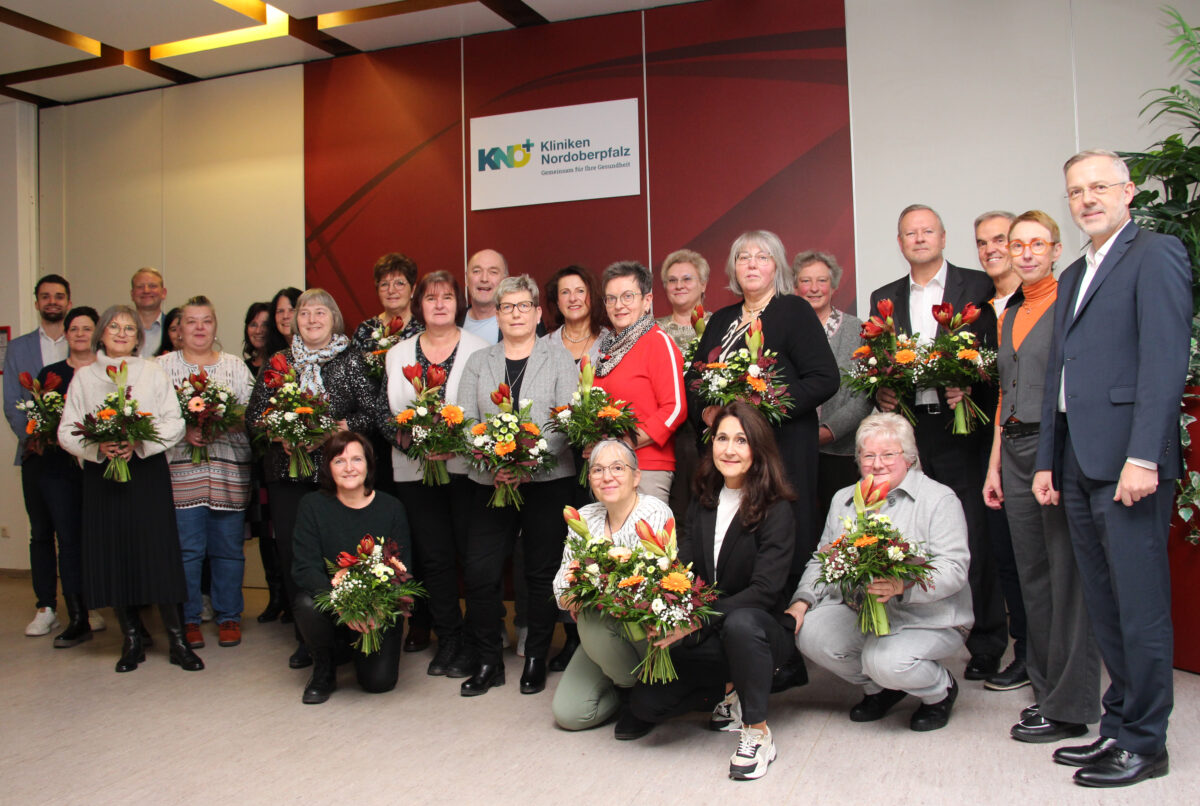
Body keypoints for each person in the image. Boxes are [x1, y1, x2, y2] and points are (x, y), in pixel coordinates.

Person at [1033, 150, 1190, 787]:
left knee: (1140, 607)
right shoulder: (1075, 272)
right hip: (1077, 461)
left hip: (1129, 463)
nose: (1087, 199)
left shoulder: (1155, 254)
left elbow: (1164, 362)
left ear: (1129, 192)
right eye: (1076, 191)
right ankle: (1119, 726)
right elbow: (1058, 374)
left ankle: (1146, 744)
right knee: (1105, 605)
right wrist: (1047, 461)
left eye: (1100, 186)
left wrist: (1144, 456)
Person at [870, 205, 1008, 681]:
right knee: (907, 531)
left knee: (973, 535)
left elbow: (1000, 358)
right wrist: (880, 392)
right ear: (900, 242)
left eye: (927, 230)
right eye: (910, 233)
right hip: (912, 430)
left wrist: (973, 386)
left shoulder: (979, 286)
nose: (919, 238)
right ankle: (912, 636)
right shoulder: (884, 297)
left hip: (963, 430)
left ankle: (987, 640)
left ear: (944, 237)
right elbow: (878, 363)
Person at [981, 210, 1101, 745]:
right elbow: (1004, 394)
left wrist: (1050, 457)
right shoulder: (1010, 311)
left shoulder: (1070, 304)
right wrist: (994, 466)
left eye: (1037, 244)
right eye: (1017, 244)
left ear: (1056, 250)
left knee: (1066, 578)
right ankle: (1048, 693)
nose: (1025, 253)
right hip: (1014, 449)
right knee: (1032, 578)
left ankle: (1072, 705)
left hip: (1057, 447)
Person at [629, 402, 798, 781]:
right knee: (645, 706)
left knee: (741, 624)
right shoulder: (704, 500)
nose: (729, 449)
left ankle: (757, 732)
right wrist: (669, 609)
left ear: (757, 448)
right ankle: (730, 691)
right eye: (722, 438)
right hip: (711, 630)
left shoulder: (777, 508)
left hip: (759, 631)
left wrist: (697, 621)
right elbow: (686, 570)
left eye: (741, 440)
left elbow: (764, 591)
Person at [789, 412, 972, 732]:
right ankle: (882, 689)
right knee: (810, 633)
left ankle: (938, 690)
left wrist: (904, 584)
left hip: (929, 616)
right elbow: (823, 559)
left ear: (909, 457)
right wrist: (801, 602)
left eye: (888, 454)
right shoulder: (844, 499)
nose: (877, 464)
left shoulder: (938, 499)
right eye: (868, 455)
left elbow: (954, 569)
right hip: (861, 610)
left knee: (883, 660)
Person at [246, 288, 390, 669]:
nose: (311, 319)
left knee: (339, 553)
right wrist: (279, 431)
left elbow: (373, 413)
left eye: (320, 313)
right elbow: (254, 417)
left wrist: (342, 427)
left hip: (337, 476)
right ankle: (307, 638)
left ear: (334, 319)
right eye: (304, 313)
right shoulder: (279, 361)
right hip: (287, 475)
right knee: (296, 556)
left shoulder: (351, 359)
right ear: (295, 321)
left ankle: (348, 631)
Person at [57, 304, 201, 673]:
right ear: (101, 334)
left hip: (146, 472)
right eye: (114, 327)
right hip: (103, 476)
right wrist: (98, 447)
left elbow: (174, 422)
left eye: (129, 329)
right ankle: (132, 639)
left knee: (158, 553)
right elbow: (67, 431)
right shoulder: (85, 378)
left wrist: (139, 442)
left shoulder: (152, 372)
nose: (122, 334)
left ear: (138, 337)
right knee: (114, 555)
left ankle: (178, 641)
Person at [688, 230, 839, 569]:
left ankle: (789, 600)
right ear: (733, 268)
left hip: (783, 449)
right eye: (743, 258)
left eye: (762, 257)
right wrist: (708, 411)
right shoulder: (721, 319)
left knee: (783, 539)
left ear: (777, 267)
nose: (752, 264)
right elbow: (694, 379)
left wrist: (765, 405)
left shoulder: (794, 310)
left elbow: (825, 378)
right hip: (729, 455)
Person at [456, 274, 577, 696]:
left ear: (539, 313)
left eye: (524, 306)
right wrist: (493, 461)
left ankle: (535, 658)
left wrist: (527, 461)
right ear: (497, 314)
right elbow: (465, 419)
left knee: (541, 572)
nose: (515, 314)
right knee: (480, 571)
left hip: (547, 481)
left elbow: (566, 420)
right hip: (490, 481)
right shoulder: (479, 362)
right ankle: (488, 660)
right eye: (507, 307)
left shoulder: (559, 359)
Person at [382, 270, 488, 677]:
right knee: (435, 558)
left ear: (458, 304)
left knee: (472, 558)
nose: (439, 304)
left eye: (447, 297)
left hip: (467, 471)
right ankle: (449, 638)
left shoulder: (480, 349)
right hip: (415, 471)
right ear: (419, 305)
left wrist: (456, 444)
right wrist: (413, 442)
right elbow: (386, 413)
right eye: (431, 298)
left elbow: (489, 412)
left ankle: (478, 639)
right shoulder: (397, 354)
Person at [550, 439, 673, 738]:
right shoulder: (585, 517)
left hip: (646, 631)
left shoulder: (653, 512)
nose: (607, 477)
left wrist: (587, 589)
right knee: (570, 714)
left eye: (618, 468)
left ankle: (638, 697)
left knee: (591, 616)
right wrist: (583, 591)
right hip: (600, 633)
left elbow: (645, 589)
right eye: (598, 470)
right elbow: (561, 589)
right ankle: (625, 687)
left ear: (636, 476)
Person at [158, 296, 255, 650]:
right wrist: (184, 429)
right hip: (181, 476)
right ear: (178, 330)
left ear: (215, 326)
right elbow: (151, 418)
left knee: (228, 550)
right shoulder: (161, 368)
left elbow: (254, 414)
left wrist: (224, 421)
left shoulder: (234, 367)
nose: (199, 328)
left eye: (206, 321)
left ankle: (229, 616)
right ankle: (188, 618)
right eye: (191, 321)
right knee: (187, 551)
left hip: (229, 474)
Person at [291, 431, 412, 703]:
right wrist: (344, 606)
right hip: (332, 604)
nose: (349, 468)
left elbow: (402, 569)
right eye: (339, 461)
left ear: (369, 464)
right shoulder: (312, 506)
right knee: (306, 603)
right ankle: (324, 667)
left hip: (377, 609)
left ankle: (353, 650)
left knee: (378, 683)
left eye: (357, 459)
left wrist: (376, 608)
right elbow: (305, 568)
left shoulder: (391, 508)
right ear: (328, 467)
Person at [973, 210, 1030, 692]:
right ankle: (1026, 653)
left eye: (1000, 239)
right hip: (988, 451)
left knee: (1039, 561)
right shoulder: (978, 310)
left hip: (1033, 447)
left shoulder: (1041, 301)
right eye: (982, 242)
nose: (991, 249)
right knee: (1006, 557)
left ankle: (1046, 657)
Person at [3, 274, 72, 637]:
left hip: (77, 454)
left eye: (59, 296)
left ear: (68, 302)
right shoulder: (18, 348)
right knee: (42, 533)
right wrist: (35, 437)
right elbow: (13, 403)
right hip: (37, 454)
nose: (52, 302)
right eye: (45, 296)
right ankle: (46, 606)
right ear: (36, 303)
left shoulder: (82, 340)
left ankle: (83, 604)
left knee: (76, 533)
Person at [594, 261, 687, 505]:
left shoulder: (657, 341)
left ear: (647, 301)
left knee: (645, 531)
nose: (618, 305)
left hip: (645, 467)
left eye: (628, 296)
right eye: (611, 298)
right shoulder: (607, 349)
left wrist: (624, 444)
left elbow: (675, 408)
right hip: (606, 468)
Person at [34, 306, 100, 647]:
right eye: (74, 328)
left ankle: (103, 603)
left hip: (101, 468)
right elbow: (41, 421)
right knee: (70, 541)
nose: (80, 334)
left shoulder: (109, 371)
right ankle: (77, 616)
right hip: (60, 469)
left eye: (87, 328)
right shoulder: (51, 375)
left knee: (101, 539)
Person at [793, 250, 872, 516]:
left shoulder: (856, 329)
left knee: (843, 523)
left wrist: (829, 430)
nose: (814, 288)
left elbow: (864, 395)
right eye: (806, 281)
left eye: (822, 281)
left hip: (841, 452)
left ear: (834, 286)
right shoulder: (786, 330)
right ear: (796, 287)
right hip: (795, 449)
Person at [351, 252, 423, 357]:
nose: (391, 290)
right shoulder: (365, 330)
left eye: (399, 283)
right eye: (384, 284)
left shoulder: (425, 327)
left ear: (413, 289)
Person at [542, 265, 609, 365]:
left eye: (580, 291)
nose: (572, 298)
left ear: (592, 296)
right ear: (557, 301)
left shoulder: (611, 343)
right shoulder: (542, 346)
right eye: (565, 292)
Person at [656, 248, 711, 350]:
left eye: (687, 279)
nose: (679, 286)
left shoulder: (718, 326)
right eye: (672, 280)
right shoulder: (654, 330)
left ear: (703, 285)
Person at [462, 249, 507, 344]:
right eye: (477, 271)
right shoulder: (453, 322)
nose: (484, 279)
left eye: (493, 272)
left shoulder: (522, 322)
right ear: (466, 279)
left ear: (505, 280)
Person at [130, 267, 168, 355]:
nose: (146, 291)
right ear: (132, 294)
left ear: (163, 293)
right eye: (140, 287)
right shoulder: (119, 331)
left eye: (152, 286)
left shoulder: (174, 329)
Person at [263, 286, 302, 358]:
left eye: (292, 310)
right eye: (280, 311)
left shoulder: (317, 353)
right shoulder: (272, 354)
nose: (285, 316)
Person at [243, 301, 272, 377]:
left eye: (265, 325)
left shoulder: (283, 364)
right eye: (253, 325)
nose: (258, 331)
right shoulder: (242, 368)